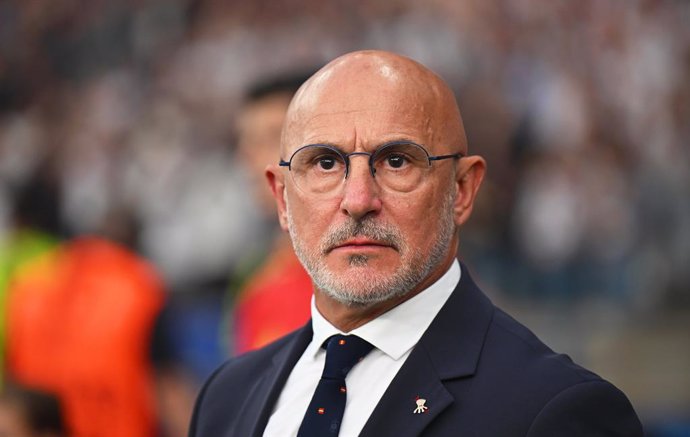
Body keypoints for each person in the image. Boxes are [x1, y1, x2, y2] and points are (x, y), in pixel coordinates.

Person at [188, 50, 643, 436]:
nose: (358, 200)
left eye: (398, 161)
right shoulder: (225, 398)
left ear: (462, 189)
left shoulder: (557, 411)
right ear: (282, 198)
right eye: (325, 163)